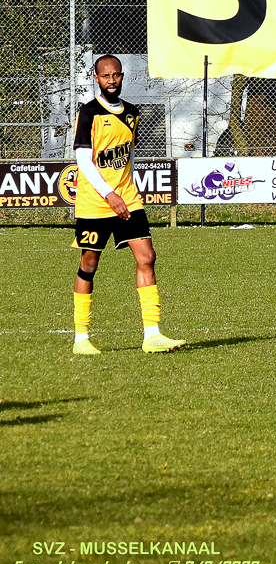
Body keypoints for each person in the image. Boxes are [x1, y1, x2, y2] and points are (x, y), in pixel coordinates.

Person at [70, 55, 184, 355]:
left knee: (147, 257)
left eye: (116, 75)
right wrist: (109, 194)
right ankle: (81, 338)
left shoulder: (132, 113)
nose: (111, 80)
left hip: (128, 199)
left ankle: (153, 335)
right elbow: (83, 160)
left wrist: (127, 188)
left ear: (122, 77)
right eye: (105, 75)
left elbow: (128, 154)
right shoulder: (89, 112)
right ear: (97, 79)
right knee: (89, 264)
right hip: (96, 202)